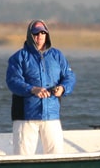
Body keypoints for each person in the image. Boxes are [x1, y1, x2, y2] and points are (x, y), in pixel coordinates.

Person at [6, 19, 76, 155]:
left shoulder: (57, 55)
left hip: (52, 115)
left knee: (56, 155)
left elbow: (69, 76)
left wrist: (63, 88)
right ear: (30, 36)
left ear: (47, 35)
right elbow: (13, 82)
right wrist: (32, 89)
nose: (40, 37)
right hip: (25, 117)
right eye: (36, 34)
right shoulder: (18, 57)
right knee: (22, 156)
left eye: (43, 33)